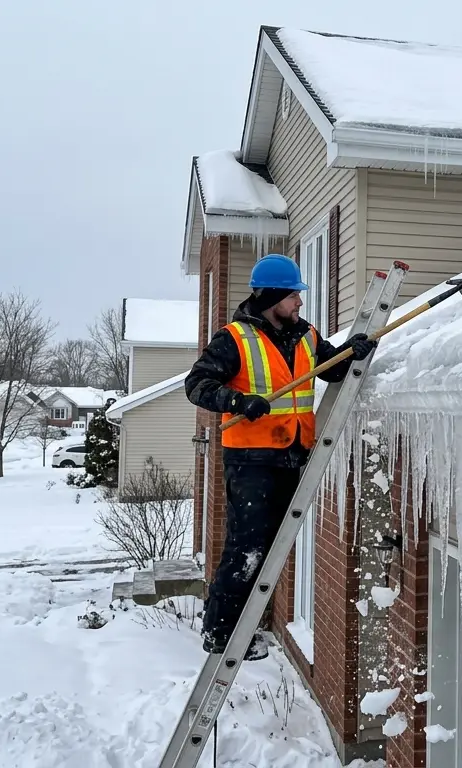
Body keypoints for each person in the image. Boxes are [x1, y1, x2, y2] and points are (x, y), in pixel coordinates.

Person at [185, 254, 376, 659]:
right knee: (247, 547)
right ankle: (220, 632)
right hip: (252, 460)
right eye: (294, 296)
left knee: (273, 548)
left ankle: (247, 628)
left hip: (294, 452)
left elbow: (330, 369)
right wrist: (237, 401)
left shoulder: (305, 335)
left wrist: (352, 353)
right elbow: (197, 385)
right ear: (273, 296)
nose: (300, 304)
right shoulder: (233, 339)